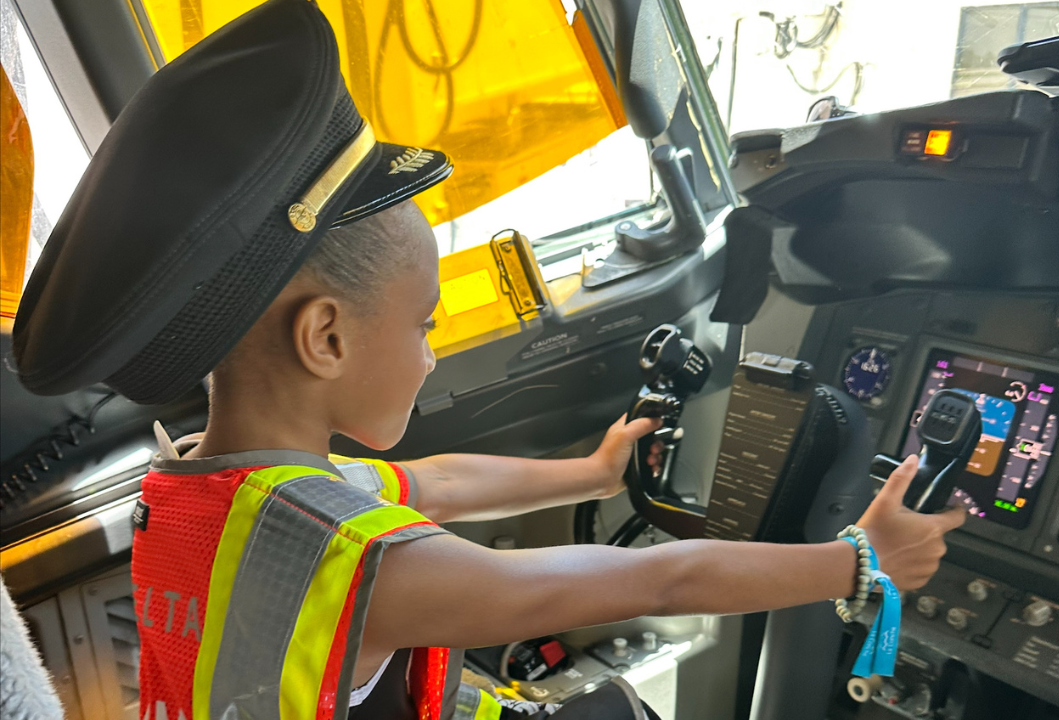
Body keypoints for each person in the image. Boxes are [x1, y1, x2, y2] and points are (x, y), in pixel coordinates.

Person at [11, 1, 965, 719]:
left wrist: (588, 471)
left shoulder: (198, 486)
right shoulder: (358, 564)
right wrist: (858, 563)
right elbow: (658, 581)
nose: (429, 360)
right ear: (326, 337)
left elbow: (436, 479)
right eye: (424, 326)